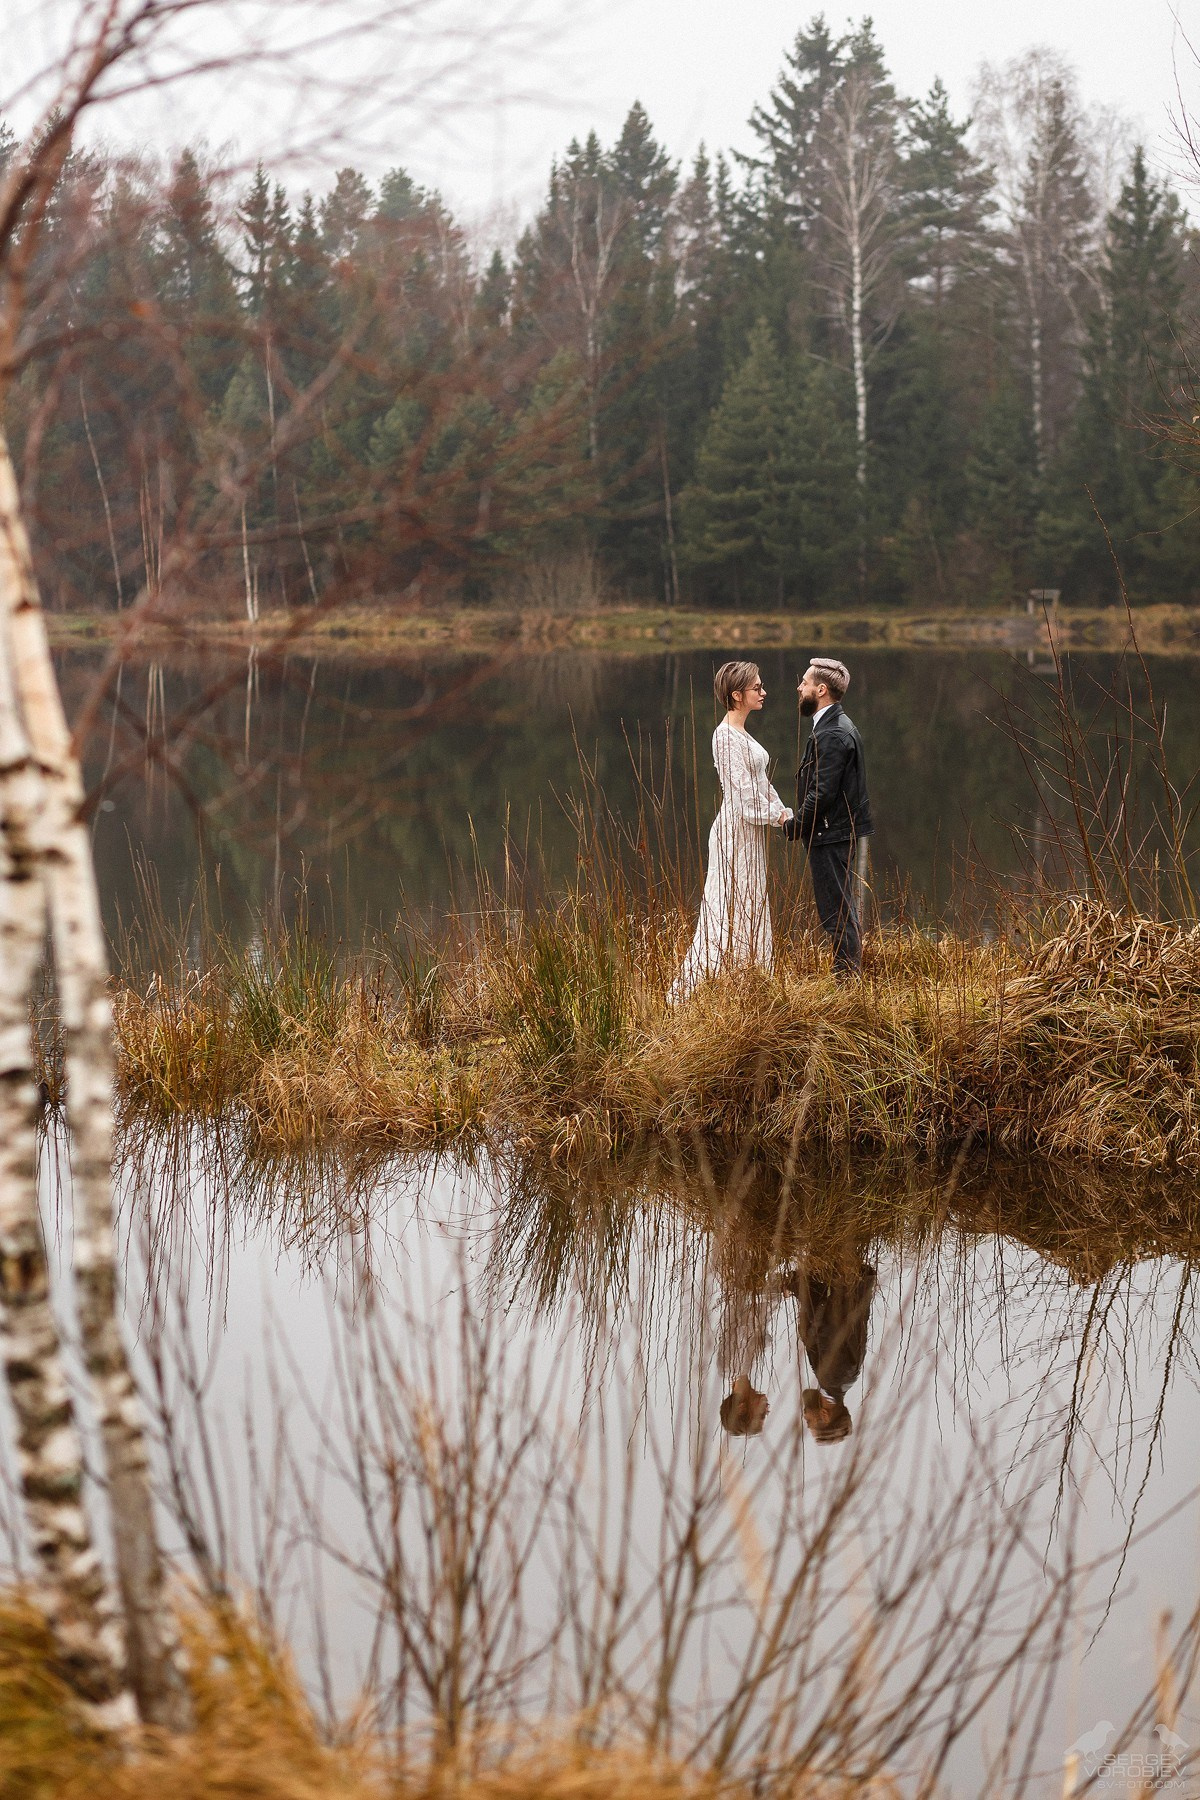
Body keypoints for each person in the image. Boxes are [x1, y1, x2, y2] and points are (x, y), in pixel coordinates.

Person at [669, 660, 792, 1003]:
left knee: (751, 903)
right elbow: (743, 799)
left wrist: (784, 811)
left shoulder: (742, 734)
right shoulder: (724, 737)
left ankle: (748, 986)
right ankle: (701, 990)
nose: (764, 692)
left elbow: (760, 784)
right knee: (728, 906)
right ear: (737, 695)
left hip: (750, 833)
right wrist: (778, 818)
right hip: (735, 833)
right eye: (757, 688)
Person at [785, 657, 872, 976]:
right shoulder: (833, 726)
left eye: (804, 683)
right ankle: (848, 979)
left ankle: (846, 983)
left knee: (836, 914)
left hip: (830, 834)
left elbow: (822, 793)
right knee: (841, 910)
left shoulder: (832, 733)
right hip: (834, 832)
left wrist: (795, 825)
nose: (799, 688)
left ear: (821, 690)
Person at [788, 1259, 876, 1445]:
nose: (805, 1416)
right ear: (824, 1415)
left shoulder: (843, 1381)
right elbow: (827, 1322)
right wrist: (797, 1285)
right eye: (809, 1422)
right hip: (839, 1272)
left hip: (846, 1276)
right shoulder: (834, 1378)